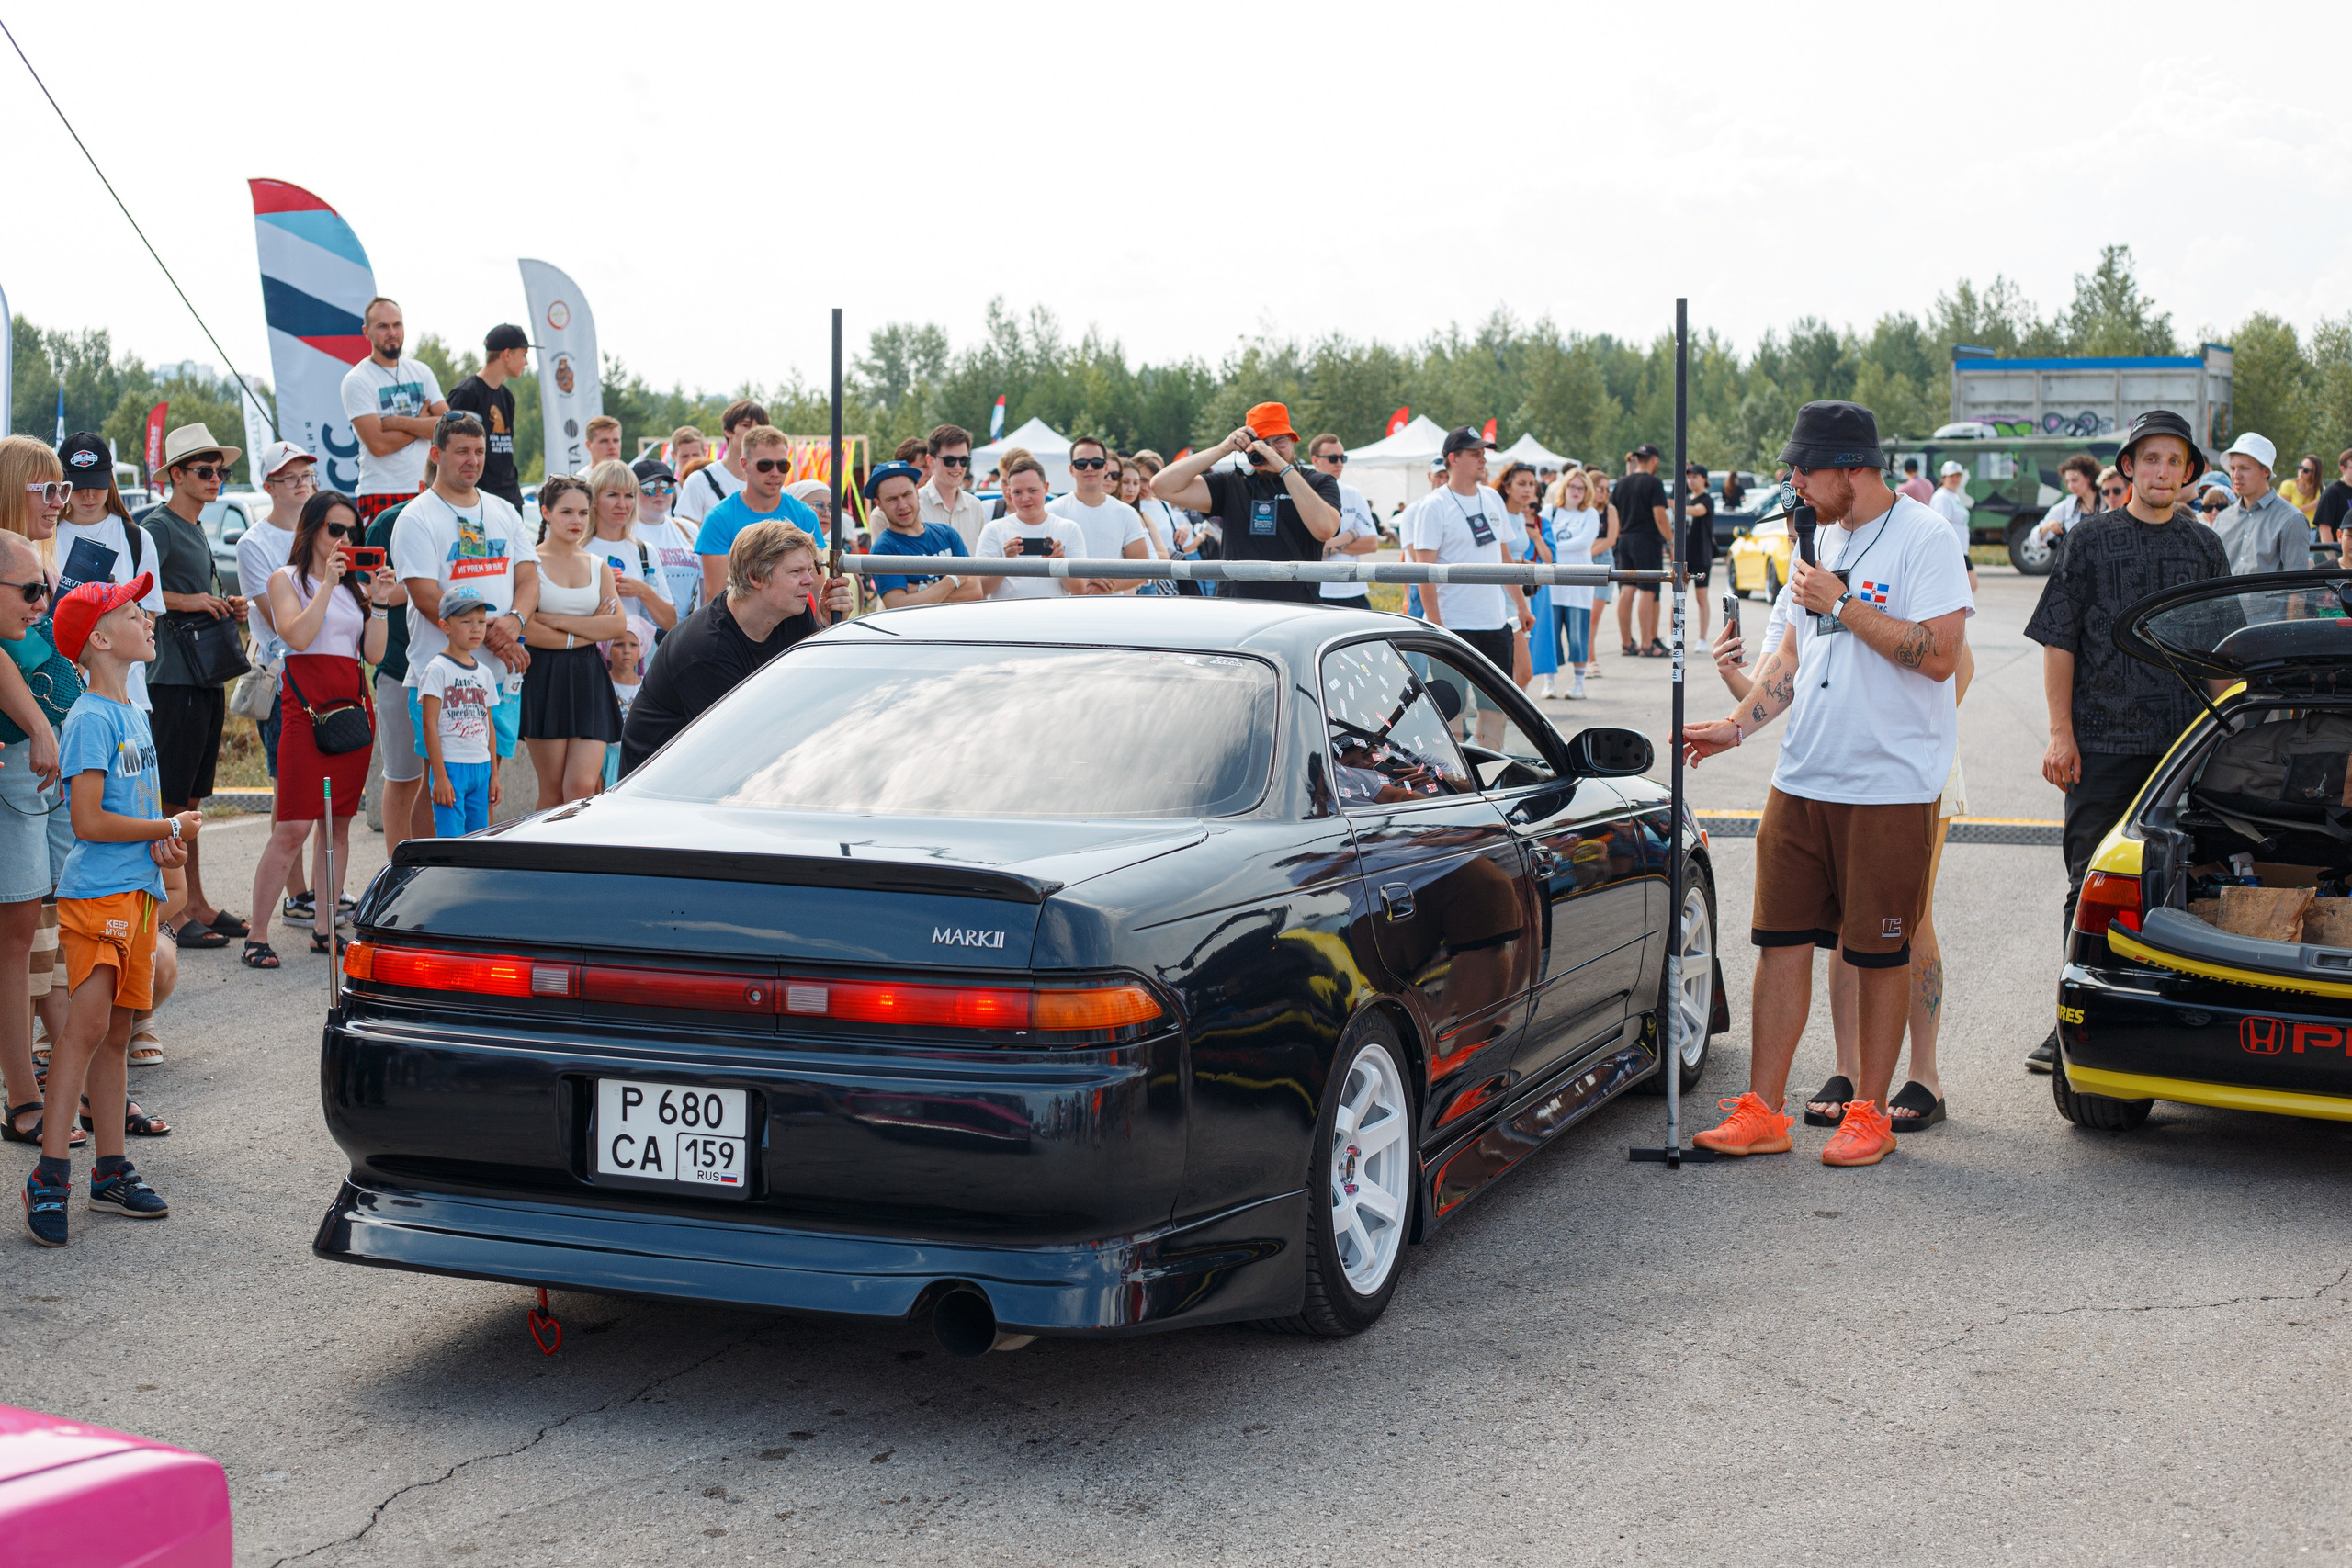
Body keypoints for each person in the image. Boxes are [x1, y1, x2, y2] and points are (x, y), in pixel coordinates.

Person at [1679, 400, 1973, 1168]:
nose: (1794, 485)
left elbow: (1941, 655)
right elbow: (1787, 660)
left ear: (1853, 468)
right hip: (1803, 775)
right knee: (1779, 942)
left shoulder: (1926, 538)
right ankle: (1764, 1110)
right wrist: (1736, 726)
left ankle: (1869, 1113)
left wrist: (1842, 601)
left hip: (1890, 785)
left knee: (1878, 952)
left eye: (1804, 471)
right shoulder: (1814, 543)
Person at [1712, 575, 1976, 1131]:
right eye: (1790, 513)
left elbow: (1959, 665)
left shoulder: (1895, 549)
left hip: (1910, 772)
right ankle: (1848, 1070)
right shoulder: (1798, 583)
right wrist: (1732, 678)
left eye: (1804, 499)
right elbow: (1779, 688)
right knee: (1842, 923)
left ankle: (1924, 1075)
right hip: (1833, 774)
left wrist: (1904, 732)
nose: (1797, 522)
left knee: (1908, 921)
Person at [2021, 408, 2228, 1071]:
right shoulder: (2088, 541)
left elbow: (2226, 655)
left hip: (2184, 748)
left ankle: (2174, 1023)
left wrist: (2227, 740)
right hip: (2103, 744)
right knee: (2089, 882)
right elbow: (2059, 640)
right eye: (2151, 458)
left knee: (2184, 886)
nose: (2162, 470)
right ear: (2129, 467)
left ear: (2189, 472)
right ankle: (2072, 1021)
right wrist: (2061, 734)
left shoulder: (2205, 547)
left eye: (2175, 460)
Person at [26, 575, 204, 1247]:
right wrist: (166, 826)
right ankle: (49, 1173)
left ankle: (109, 1171)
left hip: (136, 894)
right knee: (86, 1026)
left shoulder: (134, 713)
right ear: (100, 639)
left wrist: (166, 851)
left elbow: (134, 817)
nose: (149, 617)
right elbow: (90, 819)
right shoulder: (90, 718)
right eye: (135, 611)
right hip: (96, 895)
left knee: (120, 1033)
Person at [241, 491, 391, 967]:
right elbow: (298, 636)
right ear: (311, 529)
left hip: (350, 707)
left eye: (353, 532)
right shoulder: (286, 579)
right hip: (306, 709)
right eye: (334, 530)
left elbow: (373, 655)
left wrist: (380, 604)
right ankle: (257, 935)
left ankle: (326, 929)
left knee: (338, 825)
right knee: (292, 826)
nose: (344, 540)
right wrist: (326, 583)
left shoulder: (354, 588)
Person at [390, 412, 538, 835]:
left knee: (484, 782)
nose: (472, 461)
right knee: (440, 783)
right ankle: (423, 876)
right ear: (437, 455)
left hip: (498, 676)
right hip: (441, 675)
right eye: (461, 451)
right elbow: (423, 595)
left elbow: (528, 578)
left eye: (479, 451)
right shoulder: (416, 517)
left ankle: (472, 875)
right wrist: (493, 634)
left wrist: (515, 620)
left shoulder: (504, 510)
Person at [617, 521, 852, 775]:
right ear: (756, 578)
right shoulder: (706, 649)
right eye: (796, 572)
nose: (810, 581)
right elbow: (743, 748)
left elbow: (813, 691)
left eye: (810, 569)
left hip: (718, 767)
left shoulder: (792, 612)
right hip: (660, 785)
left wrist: (828, 630)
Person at [144, 423, 249, 950]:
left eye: (221, 472)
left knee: (192, 798)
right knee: (171, 800)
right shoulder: (158, 526)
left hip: (201, 676)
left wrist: (222, 604)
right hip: (171, 678)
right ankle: (172, 910)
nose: (215, 480)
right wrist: (191, 600)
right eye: (204, 471)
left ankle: (196, 901)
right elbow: (137, 590)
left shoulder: (195, 526)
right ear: (176, 475)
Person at [230, 439, 322, 923]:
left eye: (306, 475)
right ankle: (296, 892)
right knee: (288, 787)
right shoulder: (254, 544)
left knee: (326, 791)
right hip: (285, 676)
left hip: (328, 677)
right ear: (268, 486)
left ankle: (320, 892)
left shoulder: (324, 531)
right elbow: (281, 619)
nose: (301, 484)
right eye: (290, 477)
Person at [1406, 426, 1535, 739]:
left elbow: (1505, 558)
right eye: (1475, 454)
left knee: (1496, 709)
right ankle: (1456, 782)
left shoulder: (1491, 497)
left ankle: (1490, 778)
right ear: (1453, 458)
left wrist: (1521, 605)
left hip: (1494, 623)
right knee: (1454, 711)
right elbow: (1425, 570)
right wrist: (1436, 625)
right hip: (1453, 624)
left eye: (1483, 453)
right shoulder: (1434, 506)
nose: (1482, 460)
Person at [1149, 402, 1341, 603]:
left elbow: (1325, 529)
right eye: (1264, 443)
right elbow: (1161, 486)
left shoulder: (1317, 482)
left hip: (1296, 606)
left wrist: (1284, 469)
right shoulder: (1232, 484)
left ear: (1293, 441)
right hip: (1238, 605)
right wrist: (1223, 448)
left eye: (1280, 441)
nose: (1272, 450)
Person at [521, 475, 626, 808]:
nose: (576, 521)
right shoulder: (529, 563)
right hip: (544, 676)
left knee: (582, 788)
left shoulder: (598, 566)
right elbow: (529, 629)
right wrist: (586, 630)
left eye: (583, 513)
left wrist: (560, 622)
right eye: (567, 512)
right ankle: (541, 859)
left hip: (589, 676)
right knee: (552, 793)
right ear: (546, 513)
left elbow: (616, 625)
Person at [338, 299, 447, 528]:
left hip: (427, 487)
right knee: (383, 564)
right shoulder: (357, 380)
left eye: (397, 325)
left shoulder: (421, 371)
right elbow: (378, 445)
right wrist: (422, 424)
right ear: (366, 332)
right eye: (383, 326)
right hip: (381, 491)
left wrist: (397, 422)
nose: (392, 332)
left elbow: (448, 428)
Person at [694, 426, 821, 604]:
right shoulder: (719, 518)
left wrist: (820, 630)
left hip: (797, 626)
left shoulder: (804, 515)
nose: (775, 473)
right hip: (741, 628)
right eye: (765, 465)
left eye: (783, 465)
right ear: (744, 464)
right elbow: (715, 597)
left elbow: (816, 588)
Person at [364, 489, 424, 852]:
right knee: (403, 777)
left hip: (459, 670)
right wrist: (419, 586)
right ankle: (397, 876)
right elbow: (369, 591)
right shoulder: (391, 521)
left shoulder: (474, 516)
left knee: (446, 782)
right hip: (399, 665)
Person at [419, 595, 501, 836]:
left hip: (481, 767)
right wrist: (441, 777)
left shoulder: (485, 673)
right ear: (445, 626)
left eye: (482, 621)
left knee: (478, 841)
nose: (476, 628)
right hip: (451, 767)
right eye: (466, 621)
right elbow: (429, 724)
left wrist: (494, 775)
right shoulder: (437, 669)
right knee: (451, 841)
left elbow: (489, 725)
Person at [867, 461, 982, 608]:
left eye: (906, 494)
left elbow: (975, 591)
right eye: (892, 499)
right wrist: (952, 580)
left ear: (917, 492)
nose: (902, 505)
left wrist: (918, 590)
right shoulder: (882, 549)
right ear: (879, 504)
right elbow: (898, 606)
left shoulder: (947, 534)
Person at [585, 460, 678, 642]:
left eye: (629, 495)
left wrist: (642, 590)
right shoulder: (579, 551)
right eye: (612, 495)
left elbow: (671, 622)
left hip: (636, 664)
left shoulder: (644, 551)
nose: (622, 504)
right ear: (594, 500)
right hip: (591, 658)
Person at [443, 324, 529, 511]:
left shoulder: (507, 396)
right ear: (507, 354)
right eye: (523, 355)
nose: (526, 362)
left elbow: (505, 447)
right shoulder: (466, 393)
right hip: (478, 499)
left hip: (510, 498)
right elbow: (448, 445)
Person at [1046, 436, 1148, 593]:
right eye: (1081, 464)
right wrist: (1083, 581)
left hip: (1110, 610)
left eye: (1096, 463)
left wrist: (1108, 585)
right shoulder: (1053, 511)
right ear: (1071, 469)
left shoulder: (1126, 513)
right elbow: (1041, 565)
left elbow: (1142, 568)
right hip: (1064, 608)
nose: (1089, 468)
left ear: (1106, 468)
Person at [975, 456, 1087, 598]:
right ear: (1009, 492)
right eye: (1018, 492)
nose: (1025, 498)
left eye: (1032, 490)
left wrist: (1060, 562)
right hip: (1007, 617)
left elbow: (1080, 589)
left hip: (1053, 617)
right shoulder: (993, 529)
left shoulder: (1069, 528)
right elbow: (981, 589)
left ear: (1046, 488)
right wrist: (1005, 564)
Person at [1544, 468, 1611, 698]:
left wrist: (1551, 547)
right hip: (1551, 583)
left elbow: (1583, 543)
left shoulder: (1590, 514)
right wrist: (1549, 546)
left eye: (1580, 488)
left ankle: (1578, 683)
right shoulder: (1550, 511)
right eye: (1572, 487)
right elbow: (1542, 537)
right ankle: (1549, 683)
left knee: (1577, 634)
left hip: (1578, 582)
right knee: (1550, 634)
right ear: (1564, 488)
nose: (1576, 492)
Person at [2211, 432, 2305, 572]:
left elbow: (2296, 590)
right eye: (2232, 468)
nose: (2236, 476)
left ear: (2266, 471)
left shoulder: (2291, 519)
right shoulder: (2222, 519)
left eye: (2244, 468)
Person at [1610, 444, 1672, 657]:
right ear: (1654, 460)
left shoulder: (1621, 484)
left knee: (1627, 590)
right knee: (1648, 589)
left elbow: (1614, 515)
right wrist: (1671, 542)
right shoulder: (1653, 483)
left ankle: (1627, 642)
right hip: (1646, 540)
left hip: (1624, 539)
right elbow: (1660, 516)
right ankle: (1648, 643)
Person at [1306, 434, 1381, 609]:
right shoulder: (1305, 493)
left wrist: (1327, 545)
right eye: (1333, 458)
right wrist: (1352, 533)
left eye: (1342, 458)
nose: (1339, 463)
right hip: (1318, 591)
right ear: (1315, 460)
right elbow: (1318, 549)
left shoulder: (1352, 494)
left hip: (1353, 590)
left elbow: (1371, 543)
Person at [628, 457, 702, 629]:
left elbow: (705, 588)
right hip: (644, 634)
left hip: (688, 631)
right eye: (648, 488)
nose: (659, 492)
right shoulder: (626, 532)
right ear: (632, 492)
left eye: (665, 486)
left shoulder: (688, 529)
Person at [675, 399, 768, 530]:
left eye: (759, 427)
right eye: (746, 425)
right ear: (728, 431)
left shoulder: (771, 482)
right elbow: (687, 538)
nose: (754, 432)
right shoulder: (699, 482)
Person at [1500, 462, 1552, 690]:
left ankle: (1507, 720)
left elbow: (1515, 555)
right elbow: (1501, 558)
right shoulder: (1499, 514)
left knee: (1518, 674)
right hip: (1503, 594)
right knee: (1521, 672)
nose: (1528, 489)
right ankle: (1506, 719)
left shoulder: (1520, 517)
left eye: (1532, 484)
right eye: (1521, 484)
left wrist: (1529, 567)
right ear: (1507, 486)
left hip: (1520, 594)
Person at [918, 423, 990, 551]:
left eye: (963, 460)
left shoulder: (976, 506)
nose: (957, 467)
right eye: (949, 460)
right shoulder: (915, 506)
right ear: (930, 460)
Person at [601, 625, 644, 790]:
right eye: (619, 644)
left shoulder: (646, 684)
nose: (627, 650)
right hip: (606, 758)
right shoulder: (603, 683)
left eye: (633, 645)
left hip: (636, 758)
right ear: (607, 649)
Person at [2030, 454, 2103, 547]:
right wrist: (2048, 526)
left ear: (2089, 478)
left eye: (2074, 480)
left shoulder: (2110, 498)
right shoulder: (2067, 506)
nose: (2070, 486)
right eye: (2067, 482)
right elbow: (2034, 539)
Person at [1928, 460, 1978, 591]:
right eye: (1951, 476)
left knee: (1966, 587)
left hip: (1960, 549)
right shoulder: (1942, 497)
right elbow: (1942, 527)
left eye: (1958, 476)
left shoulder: (1952, 495)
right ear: (1943, 478)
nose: (1955, 479)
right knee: (1969, 585)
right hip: (1952, 550)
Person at [1683, 462, 1717, 642]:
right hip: (1684, 556)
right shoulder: (1686, 499)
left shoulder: (1707, 500)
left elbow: (1698, 511)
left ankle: (1702, 638)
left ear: (1704, 479)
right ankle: (1675, 635)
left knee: (1701, 597)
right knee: (1678, 596)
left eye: (1695, 477)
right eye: (1688, 477)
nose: (1691, 480)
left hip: (1701, 555)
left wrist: (1676, 506)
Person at [2316, 450, 2352, 550]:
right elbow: (2324, 528)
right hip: (2336, 553)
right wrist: (2332, 559)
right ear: (2343, 468)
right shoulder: (2332, 492)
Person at [2283, 454, 2324, 525]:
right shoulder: (2288, 485)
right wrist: (2311, 505)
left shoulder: (2320, 488)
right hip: (2294, 528)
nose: (2301, 471)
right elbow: (2284, 513)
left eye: (2306, 470)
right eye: (2300, 467)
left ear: (2314, 474)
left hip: (2315, 530)